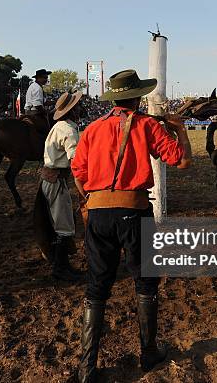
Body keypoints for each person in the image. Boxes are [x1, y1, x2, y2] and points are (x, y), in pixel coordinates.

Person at [71, 70, 193, 381]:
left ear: (114, 98)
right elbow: (182, 161)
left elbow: (78, 173)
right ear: (137, 97)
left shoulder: (91, 130)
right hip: (135, 212)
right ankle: (149, 353)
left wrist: (92, 201)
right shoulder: (147, 125)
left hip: (98, 214)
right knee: (146, 282)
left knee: (97, 288)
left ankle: (87, 368)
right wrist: (179, 129)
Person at [40, 91, 84, 281]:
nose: (80, 108)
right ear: (72, 110)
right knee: (63, 225)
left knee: (60, 223)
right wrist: (82, 187)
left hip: (51, 179)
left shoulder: (59, 126)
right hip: (57, 180)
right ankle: (60, 268)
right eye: (78, 106)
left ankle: (62, 265)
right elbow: (76, 162)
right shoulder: (67, 130)